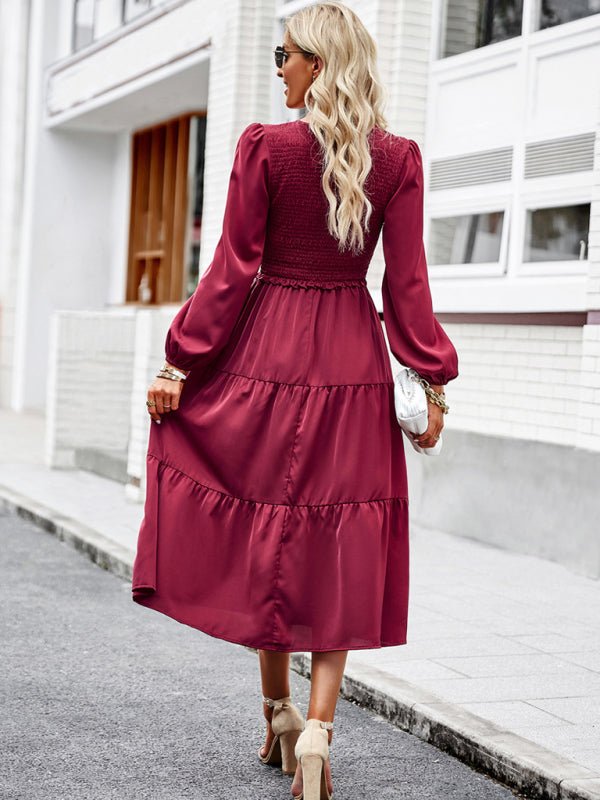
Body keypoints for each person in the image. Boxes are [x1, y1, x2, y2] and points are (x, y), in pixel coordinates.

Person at [131, 3, 459, 798]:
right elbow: (406, 285)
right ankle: (314, 733)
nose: (277, 66)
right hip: (351, 355)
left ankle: (276, 712)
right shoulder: (399, 160)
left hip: (269, 350)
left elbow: (233, 269)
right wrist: (433, 375)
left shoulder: (266, 150)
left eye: (286, 55)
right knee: (337, 539)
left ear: (318, 63)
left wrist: (182, 362)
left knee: (266, 523)